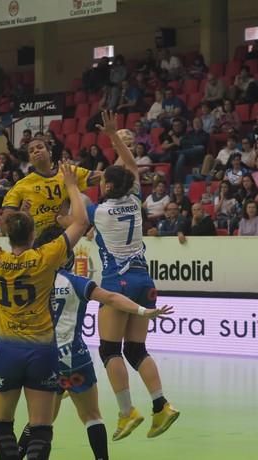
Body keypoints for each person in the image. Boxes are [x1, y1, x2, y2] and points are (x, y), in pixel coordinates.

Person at [16, 225, 174, 460]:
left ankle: (18, 454)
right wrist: (142, 311)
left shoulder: (27, 281)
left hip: (40, 359)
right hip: (73, 360)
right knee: (92, 415)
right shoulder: (76, 281)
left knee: (40, 421)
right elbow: (111, 298)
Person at [0, 160, 90, 460]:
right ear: (33, 234)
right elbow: (81, 222)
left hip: (8, 351)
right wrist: (72, 186)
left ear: (9, 237)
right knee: (40, 429)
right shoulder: (47, 257)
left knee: (2, 425)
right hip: (43, 351)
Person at [89, 111, 180, 441]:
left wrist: (69, 183)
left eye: (102, 182)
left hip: (117, 283)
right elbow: (131, 167)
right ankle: (161, 406)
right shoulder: (135, 198)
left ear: (108, 186)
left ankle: (127, 412)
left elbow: (71, 209)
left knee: (109, 350)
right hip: (145, 280)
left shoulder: (98, 211)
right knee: (137, 350)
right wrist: (115, 138)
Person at [2, 137, 100, 238]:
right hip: (38, 241)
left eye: (40, 147)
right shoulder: (21, 185)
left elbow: (107, 178)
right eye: (31, 151)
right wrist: (21, 215)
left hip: (67, 238)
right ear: (30, 159)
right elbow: (5, 227)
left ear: (50, 153)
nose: (36, 151)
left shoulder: (67, 172)